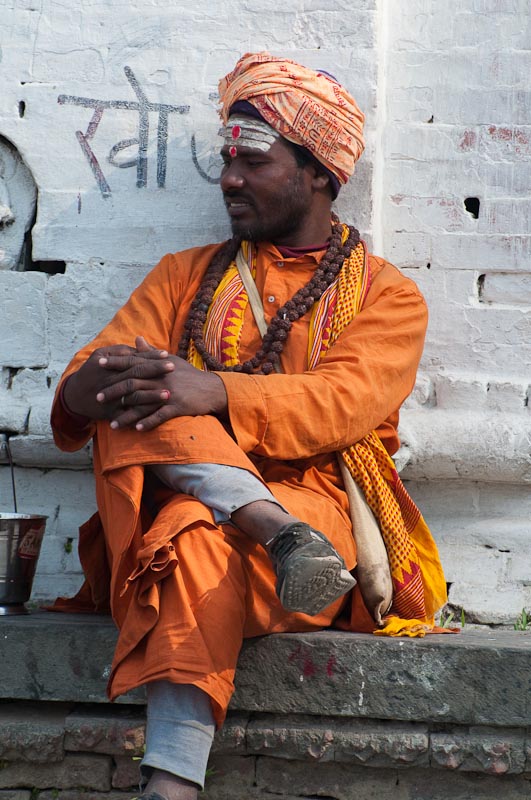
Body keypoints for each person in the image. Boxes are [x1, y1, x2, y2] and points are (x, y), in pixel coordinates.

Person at [51, 52, 447, 800]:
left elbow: (340, 405)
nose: (229, 178)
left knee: (185, 514)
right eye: (225, 160)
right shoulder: (182, 275)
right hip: (224, 525)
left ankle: (168, 785)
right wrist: (95, 385)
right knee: (150, 427)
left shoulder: (388, 297)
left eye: (252, 161)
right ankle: (263, 525)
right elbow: (77, 398)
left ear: (320, 172)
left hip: (319, 522)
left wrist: (210, 393)